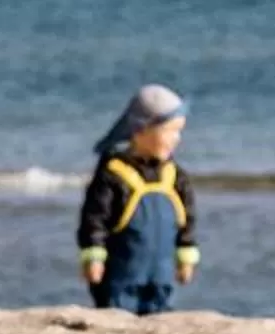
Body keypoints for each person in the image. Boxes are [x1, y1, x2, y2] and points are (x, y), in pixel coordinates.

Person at [78, 83, 198, 314]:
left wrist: (186, 255)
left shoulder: (175, 176)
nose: (177, 139)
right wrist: (93, 256)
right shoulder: (113, 174)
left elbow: (187, 220)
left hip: (161, 276)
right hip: (121, 277)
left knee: (161, 314)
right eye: (170, 131)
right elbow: (95, 219)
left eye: (179, 131)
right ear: (141, 131)